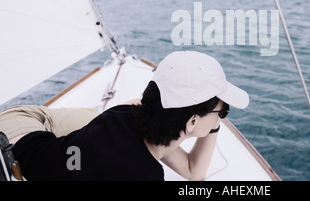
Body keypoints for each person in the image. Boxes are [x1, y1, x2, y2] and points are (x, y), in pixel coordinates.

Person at [0, 51, 249, 180]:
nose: (221, 119)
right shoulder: (147, 175)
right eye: (222, 112)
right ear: (192, 121)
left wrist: (211, 117)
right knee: (94, 119)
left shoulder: (124, 115)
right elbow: (194, 175)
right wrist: (211, 124)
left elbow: (193, 172)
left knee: (101, 119)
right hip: (20, 126)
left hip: (27, 144)